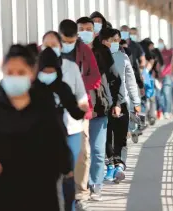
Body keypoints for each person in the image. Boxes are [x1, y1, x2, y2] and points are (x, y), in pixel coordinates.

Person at [0, 44, 73, 211]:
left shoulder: (43, 103)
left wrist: (65, 166)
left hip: (41, 189)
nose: (14, 77)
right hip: (4, 190)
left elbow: (57, 138)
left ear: (32, 73)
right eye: (10, 72)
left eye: (21, 72)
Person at [76, 17, 124, 202]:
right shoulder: (71, 53)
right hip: (78, 110)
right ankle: (84, 185)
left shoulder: (102, 51)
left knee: (97, 150)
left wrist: (117, 102)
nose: (85, 31)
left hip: (100, 108)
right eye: (81, 28)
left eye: (89, 28)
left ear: (95, 32)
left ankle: (96, 184)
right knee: (82, 151)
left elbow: (115, 77)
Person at [38, 46, 88, 211]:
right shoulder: (32, 90)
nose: (48, 73)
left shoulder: (62, 88)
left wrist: (81, 110)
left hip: (60, 140)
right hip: (37, 144)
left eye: (51, 70)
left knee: (67, 182)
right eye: (45, 70)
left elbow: (74, 111)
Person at [59, 19, 101, 210]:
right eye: (65, 40)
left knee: (83, 151)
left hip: (80, 108)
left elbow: (96, 77)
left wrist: (77, 88)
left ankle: (80, 193)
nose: (68, 44)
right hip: (56, 111)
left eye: (71, 40)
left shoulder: (84, 51)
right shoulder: (51, 53)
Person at [100, 28, 140, 184]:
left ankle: (120, 166)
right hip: (103, 104)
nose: (116, 43)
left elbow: (130, 81)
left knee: (121, 136)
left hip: (122, 102)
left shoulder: (123, 57)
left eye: (118, 40)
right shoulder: (98, 58)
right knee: (106, 137)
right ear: (104, 41)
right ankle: (110, 165)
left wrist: (136, 102)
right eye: (113, 40)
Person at [120, 25, 145, 95]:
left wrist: (141, 72)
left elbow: (142, 60)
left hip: (132, 76)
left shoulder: (135, 45)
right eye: (123, 31)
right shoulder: (116, 44)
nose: (124, 33)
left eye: (126, 31)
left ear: (129, 33)